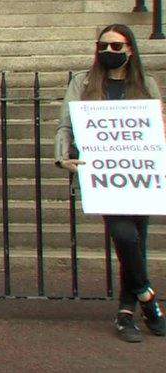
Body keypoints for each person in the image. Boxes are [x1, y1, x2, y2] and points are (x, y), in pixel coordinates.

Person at [55, 23, 166, 343]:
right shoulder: (83, 83)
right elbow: (66, 124)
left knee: (136, 241)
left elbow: (155, 131)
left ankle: (127, 313)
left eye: (116, 47)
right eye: (103, 46)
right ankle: (147, 297)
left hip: (139, 174)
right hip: (103, 175)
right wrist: (63, 157)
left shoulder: (147, 84)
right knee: (123, 234)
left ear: (130, 50)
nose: (108, 52)